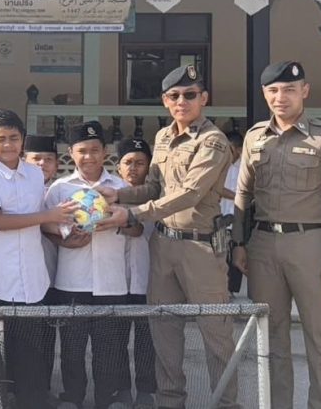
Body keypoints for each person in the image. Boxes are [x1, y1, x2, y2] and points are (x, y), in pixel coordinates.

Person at [96, 65, 239, 409]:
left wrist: (132, 214)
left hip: (200, 247)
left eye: (190, 95)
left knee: (216, 336)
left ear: (204, 98)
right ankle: (170, 402)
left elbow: (190, 193)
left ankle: (226, 404)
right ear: (165, 101)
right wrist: (118, 194)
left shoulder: (212, 141)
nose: (182, 101)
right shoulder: (161, 137)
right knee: (164, 334)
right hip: (162, 245)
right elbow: (154, 188)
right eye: (174, 96)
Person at [231, 61, 321, 409]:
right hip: (262, 246)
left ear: (305, 91)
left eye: (289, 89)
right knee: (270, 338)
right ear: (264, 94)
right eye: (273, 90)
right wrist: (239, 243)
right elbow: (244, 193)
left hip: (310, 245)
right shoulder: (255, 137)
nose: (280, 97)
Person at [0, 110, 73, 408]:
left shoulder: (34, 173)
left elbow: (40, 221)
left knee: (32, 357)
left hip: (34, 278)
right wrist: (49, 216)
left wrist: (64, 231)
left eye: (14, 138)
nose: (8, 145)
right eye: (0, 139)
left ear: (23, 140)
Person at [42, 121, 133, 409]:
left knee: (109, 347)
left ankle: (107, 398)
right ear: (70, 152)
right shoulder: (59, 189)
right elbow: (44, 226)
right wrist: (64, 240)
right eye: (82, 151)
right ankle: (73, 396)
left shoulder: (121, 188)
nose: (89, 157)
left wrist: (118, 221)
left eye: (95, 150)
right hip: (72, 280)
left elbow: (139, 228)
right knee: (72, 347)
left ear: (106, 151)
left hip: (111, 281)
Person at [115, 138, 158, 409]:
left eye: (140, 163)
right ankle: (121, 389)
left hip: (148, 280)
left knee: (146, 341)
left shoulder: (159, 201)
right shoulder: (109, 196)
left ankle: (145, 391)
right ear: (118, 167)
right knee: (116, 340)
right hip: (116, 282)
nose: (133, 168)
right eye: (128, 162)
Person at [23, 133, 62, 400]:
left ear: (57, 165)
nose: (42, 164)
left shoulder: (62, 191)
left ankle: (43, 390)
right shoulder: (19, 191)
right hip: (21, 276)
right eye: (36, 158)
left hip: (51, 274)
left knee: (46, 337)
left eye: (48, 159)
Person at [220, 130, 246, 295]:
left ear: (238, 149)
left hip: (238, 217)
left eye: (229, 148)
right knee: (221, 254)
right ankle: (222, 290)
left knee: (237, 251)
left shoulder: (245, 166)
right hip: (221, 217)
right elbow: (216, 188)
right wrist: (238, 197)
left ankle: (232, 290)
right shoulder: (219, 164)